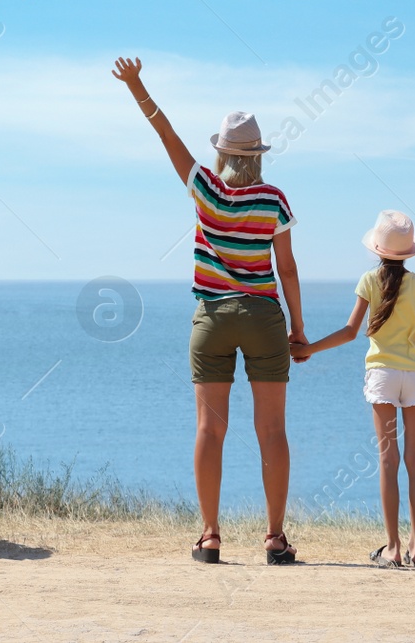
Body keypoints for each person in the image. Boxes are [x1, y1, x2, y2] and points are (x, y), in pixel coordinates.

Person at [112, 57, 308, 565]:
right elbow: (286, 271)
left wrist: (138, 86)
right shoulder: (274, 200)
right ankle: (274, 538)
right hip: (264, 316)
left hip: (212, 318)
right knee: (272, 430)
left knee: (209, 429)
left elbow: (166, 135)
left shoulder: (205, 189)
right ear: (258, 155)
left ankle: (210, 535)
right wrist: (299, 328)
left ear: (220, 152)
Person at [291, 210, 415, 568]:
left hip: (382, 375)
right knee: (414, 459)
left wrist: (307, 349)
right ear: (408, 252)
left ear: (378, 248)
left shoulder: (368, 281)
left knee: (387, 462)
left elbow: (348, 332)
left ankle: (392, 548)